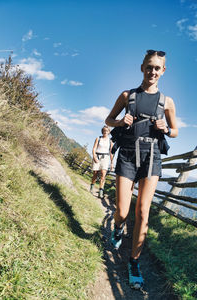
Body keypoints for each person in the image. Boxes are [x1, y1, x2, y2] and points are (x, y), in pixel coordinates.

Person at [105, 50, 178, 289]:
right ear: (142, 68)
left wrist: (166, 128)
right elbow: (109, 120)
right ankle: (118, 227)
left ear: (163, 71)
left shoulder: (167, 102)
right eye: (149, 67)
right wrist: (120, 121)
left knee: (144, 212)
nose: (153, 71)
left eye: (157, 68)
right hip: (127, 155)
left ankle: (134, 262)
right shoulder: (127, 95)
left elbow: (175, 131)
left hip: (152, 158)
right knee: (123, 211)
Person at [90, 125, 114, 198]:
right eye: (104, 131)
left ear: (109, 132)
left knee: (103, 175)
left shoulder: (110, 141)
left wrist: (112, 163)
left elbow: (111, 152)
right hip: (97, 156)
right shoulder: (98, 138)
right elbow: (94, 148)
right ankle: (92, 187)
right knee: (95, 174)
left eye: (106, 131)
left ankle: (101, 191)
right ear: (102, 131)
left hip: (105, 158)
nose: (105, 132)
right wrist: (94, 156)